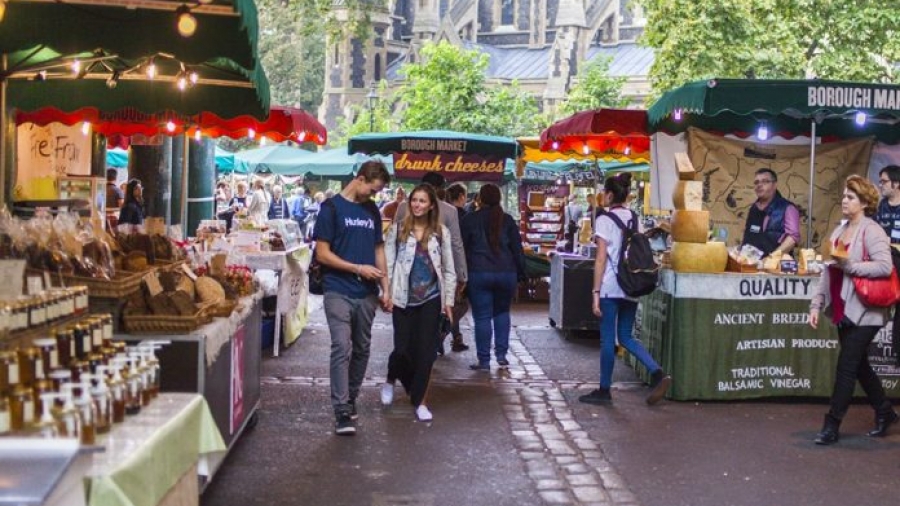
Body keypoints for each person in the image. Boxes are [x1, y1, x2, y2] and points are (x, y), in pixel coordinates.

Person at [808, 175, 897, 445]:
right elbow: (827, 271)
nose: (844, 201)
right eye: (844, 196)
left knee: (847, 366)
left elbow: (885, 266)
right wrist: (815, 304)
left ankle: (832, 424)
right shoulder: (839, 230)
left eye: (850, 197)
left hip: (868, 311)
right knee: (858, 366)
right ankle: (884, 411)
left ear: (863, 202)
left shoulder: (872, 230)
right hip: (843, 308)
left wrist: (852, 267)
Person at [313, 161, 392, 435]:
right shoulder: (331, 209)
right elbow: (322, 254)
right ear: (359, 179)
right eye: (373, 189)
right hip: (337, 289)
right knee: (340, 346)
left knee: (362, 347)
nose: (375, 196)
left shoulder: (372, 210)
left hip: (367, 294)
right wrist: (357, 268)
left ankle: (351, 397)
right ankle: (341, 409)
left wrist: (386, 287)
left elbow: (378, 249)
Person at [579, 173, 671, 406]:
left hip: (611, 286)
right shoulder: (634, 218)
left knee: (608, 339)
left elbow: (600, 259)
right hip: (631, 284)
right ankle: (657, 372)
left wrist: (595, 294)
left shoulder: (604, 220)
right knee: (627, 336)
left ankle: (604, 389)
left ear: (609, 195)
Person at [381, 184, 456, 421]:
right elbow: (388, 263)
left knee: (426, 353)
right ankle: (391, 377)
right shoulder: (399, 229)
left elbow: (448, 269)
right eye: (415, 200)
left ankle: (420, 401)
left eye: (423, 201)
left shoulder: (441, 232)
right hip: (403, 297)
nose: (418, 205)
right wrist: (387, 293)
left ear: (431, 205)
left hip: (431, 299)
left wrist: (449, 303)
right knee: (402, 349)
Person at [395, 173, 468, 353]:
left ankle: (417, 348)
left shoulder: (404, 207)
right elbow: (456, 244)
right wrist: (462, 274)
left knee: (410, 312)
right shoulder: (449, 210)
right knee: (431, 312)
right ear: (439, 188)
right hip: (436, 272)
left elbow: (395, 242)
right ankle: (428, 344)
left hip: (408, 271)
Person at [460, 183, 525, 371]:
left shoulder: (469, 220)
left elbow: (461, 248)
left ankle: (484, 360)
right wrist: (521, 273)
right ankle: (502, 355)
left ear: (480, 199)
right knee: (502, 313)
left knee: (482, 317)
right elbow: (517, 249)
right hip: (506, 273)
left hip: (478, 273)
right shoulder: (508, 220)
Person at [741, 168, 801, 257]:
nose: (759, 185)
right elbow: (748, 237)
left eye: (765, 181)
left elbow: (793, 238)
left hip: (776, 267)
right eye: (756, 182)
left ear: (774, 185)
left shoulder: (788, 208)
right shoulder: (753, 208)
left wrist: (771, 258)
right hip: (751, 266)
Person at [444, 183, 470, 352]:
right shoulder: (464, 217)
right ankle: (442, 333)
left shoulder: (442, 213)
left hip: (443, 264)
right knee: (459, 304)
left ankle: (455, 337)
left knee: (450, 303)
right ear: (461, 196)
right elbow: (461, 244)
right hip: (457, 265)